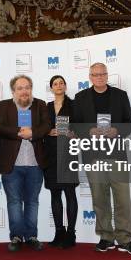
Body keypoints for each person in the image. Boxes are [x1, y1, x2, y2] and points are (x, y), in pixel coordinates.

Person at [73, 62, 131, 255]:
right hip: (92, 155)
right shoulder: (80, 98)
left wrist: (116, 130)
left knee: (122, 199)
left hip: (116, 154)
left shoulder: (120, 95)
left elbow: (129, 123)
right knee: (99, 198)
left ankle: (125, 238)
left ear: (107, 75)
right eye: (95, 74)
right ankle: (106, 236)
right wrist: (89, 130)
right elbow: (75, 126)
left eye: (102, 74)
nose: (99, 77)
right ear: (90, 77)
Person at [0, 74, 50, 251]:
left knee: (32, 201)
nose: (24, 91)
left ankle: (32, 236)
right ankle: (16, 237)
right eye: (20, 88)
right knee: (14, 201)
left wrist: (33, 133)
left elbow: (46, 126)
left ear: (31, 89)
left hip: (35, 163)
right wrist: (19, 132)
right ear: (13, 91)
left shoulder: (40, 104)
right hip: (12, 164)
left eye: (27, 87)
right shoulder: (2, 106)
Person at [43, 75, 78, 249]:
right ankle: (59, 232)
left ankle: (71, 233)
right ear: (51, 88)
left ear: (65, 86)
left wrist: (73, 133)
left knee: (70, 193)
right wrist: (48, 132)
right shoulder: (45, 107)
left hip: (68, 153)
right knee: (55, 194)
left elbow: (81, 126)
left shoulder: (74, 105)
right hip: (50, 155)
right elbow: (40, 128)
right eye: (55, 84)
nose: (59, 86)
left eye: (61, 83)